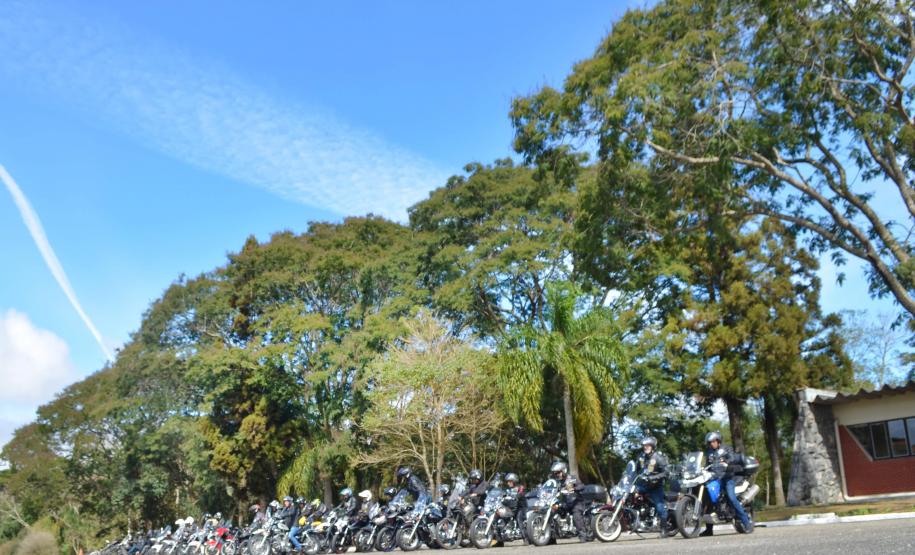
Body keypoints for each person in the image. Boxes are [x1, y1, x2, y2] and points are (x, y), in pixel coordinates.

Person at [701, 431, 752, 536]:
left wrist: (727, 462)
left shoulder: (726, 448)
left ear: (718, 441)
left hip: (727, 478)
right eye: (710, 442)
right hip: (715, 478)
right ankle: (709, 529)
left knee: (732, 498)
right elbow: (707, 465)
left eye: (713, 442)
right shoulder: (709, 452)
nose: (711, 444)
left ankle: (747, 523)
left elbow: (732, 458)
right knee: (708, 499)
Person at [635, 436, 670, 538]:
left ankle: (664, 530)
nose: (645, 447)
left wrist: (653, 477)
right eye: (644, 446)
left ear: (652, 446)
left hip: (655, 486)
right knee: (630, 496)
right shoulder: (641, 457)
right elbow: (636, 470)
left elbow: (666, 473)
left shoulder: (658, 457)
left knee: (660, 507)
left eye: (648, 445)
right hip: (643, 485)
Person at [549, 461, 588, 543]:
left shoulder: (571, 478)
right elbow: (553, 491)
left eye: (558, 472)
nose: (557, 475)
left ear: (564, 471)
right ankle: (551, 538)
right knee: (552, 512)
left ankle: (583, 536)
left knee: (576, 515)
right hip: (565, 504)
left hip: (576, 502)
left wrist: (574, 489)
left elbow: (582, 486)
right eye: (555, 473)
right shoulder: (557, 482)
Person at [504, 472, 528, 544]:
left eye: (510, 481)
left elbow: (520, 494)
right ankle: (500, 539)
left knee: (518, 518)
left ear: (514, 481)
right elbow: (503, 494)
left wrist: (517, 495)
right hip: (511, 508)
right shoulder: (508, 489)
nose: (508, 483)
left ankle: (525, 539)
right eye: (508, 481)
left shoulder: (520, 487)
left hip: (521, 508)